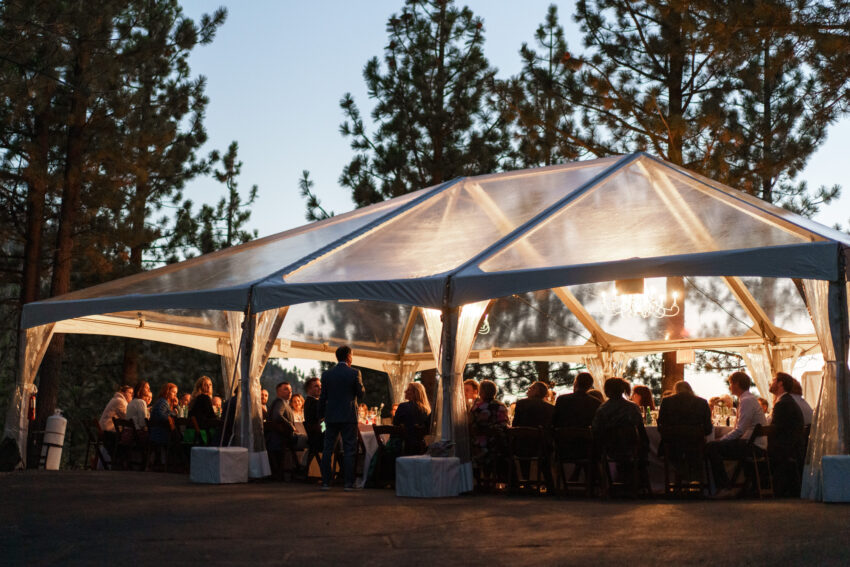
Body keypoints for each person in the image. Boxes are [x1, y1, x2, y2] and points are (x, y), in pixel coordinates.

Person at [705, 371, 767, 497]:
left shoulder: (747, 401)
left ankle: (724, 487)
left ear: (737, 384)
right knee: (716, 445)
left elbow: (740, 430)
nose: (729, 387)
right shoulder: (748, 399)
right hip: (754, 443)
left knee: (712, 447)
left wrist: (721, 440)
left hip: (753, 446)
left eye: (730, 384)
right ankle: (731, 485)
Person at [319, 345, 365, 490]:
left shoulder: (327, 374)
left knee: (328, 449)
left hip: (331, 416)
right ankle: (348, 483)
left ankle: (326, 482)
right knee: (349, 449)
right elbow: (361, 394)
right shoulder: (354, 373)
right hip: (348, 416)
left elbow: (322, 397)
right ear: (349, 356)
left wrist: (321, 415)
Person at [592, 378, 649, 490]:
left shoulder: (603, 409)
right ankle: (638, 482)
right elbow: (641, 431)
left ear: (607, 391)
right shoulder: (633, 407)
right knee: (640, 449)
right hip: (631, 447)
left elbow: (596, 430)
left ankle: (608, 484)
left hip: (609, 448)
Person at [768, 372, 805, 496]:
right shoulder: (788, 401)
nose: (770, 383)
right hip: (793, 447)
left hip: (784, 448)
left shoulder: (782, 404)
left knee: (753, 449)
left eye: (773, 380)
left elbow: (775, 429)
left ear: (780, 383)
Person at [469, 380, 510, 469]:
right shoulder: (501, 406)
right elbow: (506, 426)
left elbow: (471, 426)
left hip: (480, 450)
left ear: (481, 392)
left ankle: (479, 481)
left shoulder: (477, 407)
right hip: (499, 449)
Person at [392, 382, 431, 455]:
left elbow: (395, 425)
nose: (405, 391)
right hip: (421, 448)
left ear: (416, 393)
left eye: (408, 390)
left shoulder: (403, 407)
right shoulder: (426, 410)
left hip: (404, 448)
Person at [303, 377, 324, 458]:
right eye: (316, 386)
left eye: (320, 386)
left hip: (313, 439)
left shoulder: (308, 402)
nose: (320, 388)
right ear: (309, 389)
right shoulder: (315, 403)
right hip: (318, 439)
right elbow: (321, 426)